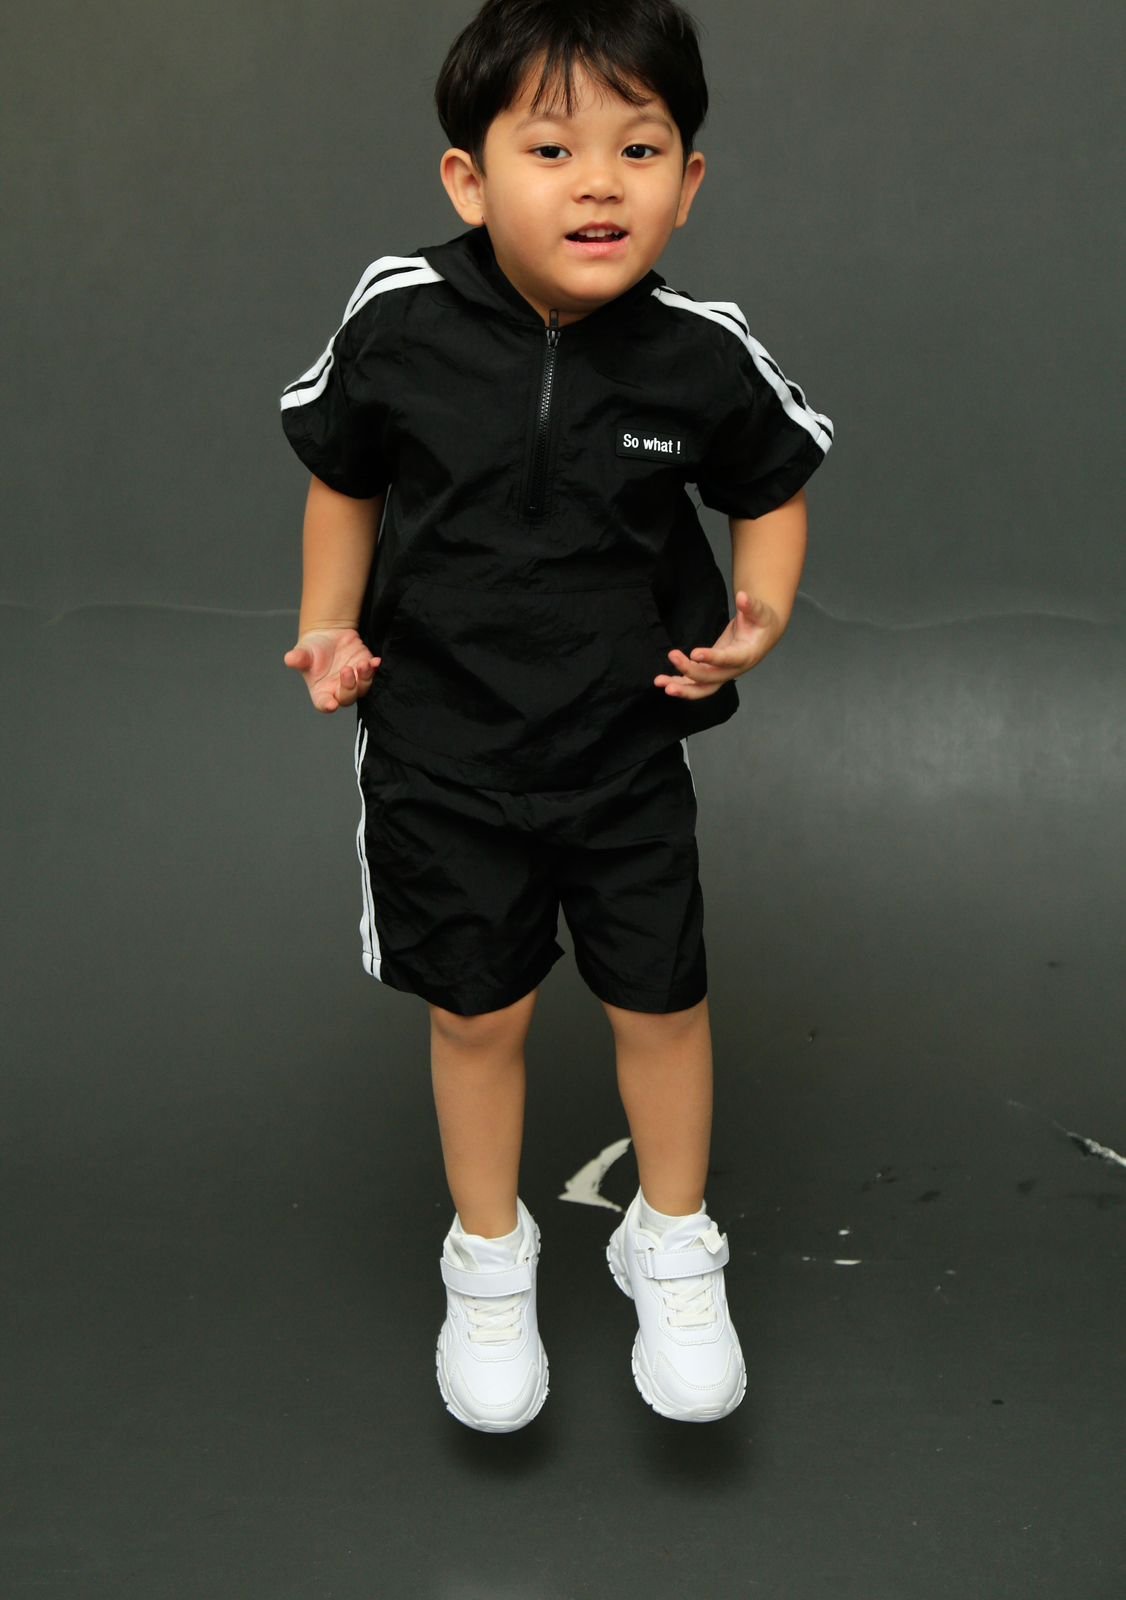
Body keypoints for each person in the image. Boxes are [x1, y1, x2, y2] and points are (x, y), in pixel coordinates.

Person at [278, 0, 834, 1433]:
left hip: (622, 751)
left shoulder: (697, 352)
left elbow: (772, 485)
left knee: (664, 1001)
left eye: (638, 149)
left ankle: (672, 1239)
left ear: (687, 182)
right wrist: (330, 622)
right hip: (441, 754)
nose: (599, 183)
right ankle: (488, 1257)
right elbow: (342, 474)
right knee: (480, 1014)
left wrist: (759, 619)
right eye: (551, 149)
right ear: (468, 178)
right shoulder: (399, 316)